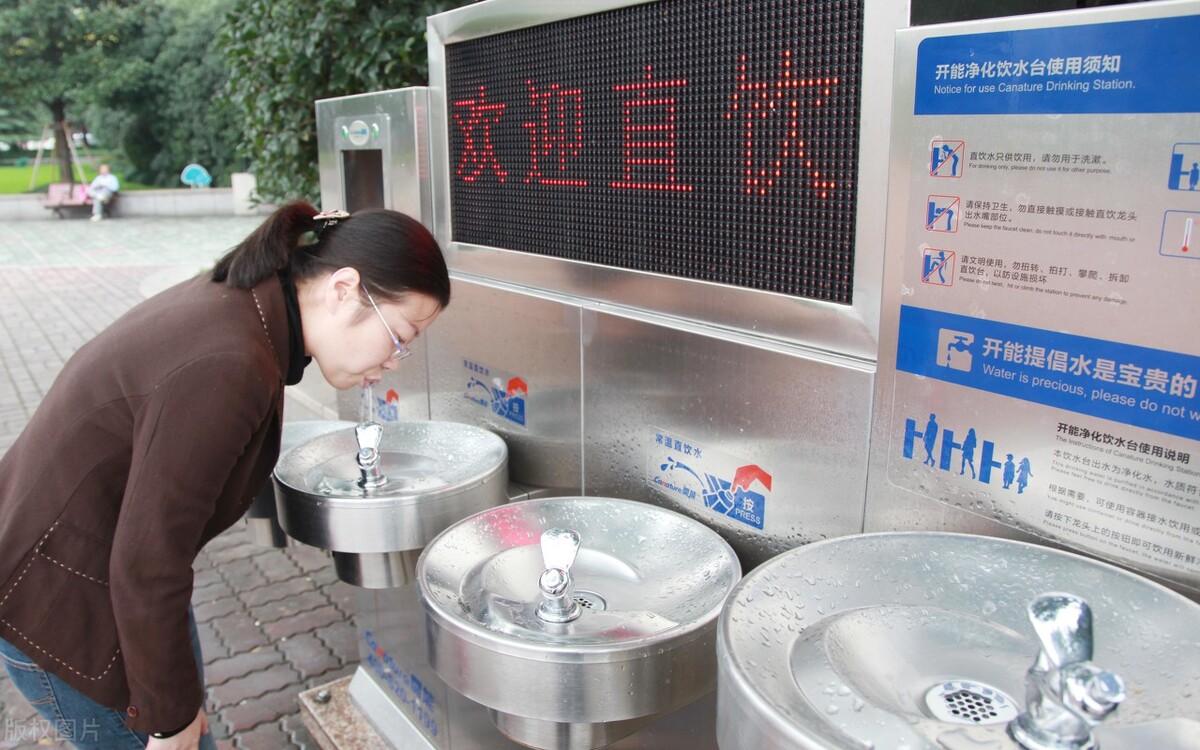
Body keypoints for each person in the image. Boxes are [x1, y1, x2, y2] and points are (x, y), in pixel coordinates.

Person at [0, 201, 450, 749]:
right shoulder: (230, 360)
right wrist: (169, 720)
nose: (395, 361)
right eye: (401, 335)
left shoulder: (243, 305)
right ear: (343, 288)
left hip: (102, 576)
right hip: (64, 602)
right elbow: (148, 561)